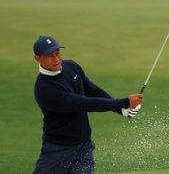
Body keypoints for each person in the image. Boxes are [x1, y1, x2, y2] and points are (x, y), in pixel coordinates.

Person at [32, 36, 143, 174]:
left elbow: (93, 91)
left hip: (84, 147)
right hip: (57, 151)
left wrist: (120, 110)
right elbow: (84, 103)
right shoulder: (45, 89)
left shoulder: (71, 67)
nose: (56, 59)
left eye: (57, 53)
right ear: (37, 58)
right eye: (50, 56)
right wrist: (124, 102)